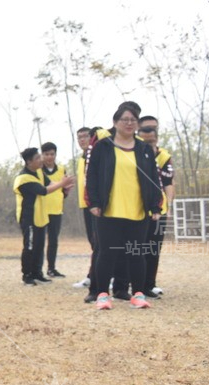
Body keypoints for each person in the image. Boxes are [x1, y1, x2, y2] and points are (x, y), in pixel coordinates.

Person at [84, 105, 163, 310]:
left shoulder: (144, 148)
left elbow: (154, 178)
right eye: (125, 119)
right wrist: (93, 202)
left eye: (133, 120)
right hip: (109, 210)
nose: (129, 123)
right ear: (115, 122)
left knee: (136, 252)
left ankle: (137, 294)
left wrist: (155, 206)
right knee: (107, 253)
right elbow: (91, 176)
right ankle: (102, 294)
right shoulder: (103, 146)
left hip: (137, 210)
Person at [14, 148, 72, 285]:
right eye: (37, 158)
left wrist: (64, 187)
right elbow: (43, 191)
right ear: (29, 162)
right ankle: (27, 275)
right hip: (28, 217)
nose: (41, 160)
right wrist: (61, 184)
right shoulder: (23, 178)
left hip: (40, 216)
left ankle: (37, 273)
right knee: (29, 246)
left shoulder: (39, 172)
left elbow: (49, 183)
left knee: (39, 245)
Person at [137, 115, 174, 297]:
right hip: (136, 208)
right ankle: (132, 284)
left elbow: (168, 181)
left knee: (153, 248)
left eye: (152, 138)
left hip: (159, 210)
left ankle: (148, 284)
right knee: (137, 247)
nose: (149, 143)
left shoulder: (164, 156)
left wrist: (169, 203)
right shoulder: (131, 154)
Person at [72, 126, 100, 289]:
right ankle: (93, 274)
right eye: (79, 137)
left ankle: (102, 275)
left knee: (99, 243)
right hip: (86, 205)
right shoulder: (82, 158)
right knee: (93, 242)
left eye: (85, 136)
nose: (82, 140)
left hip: (95, 205)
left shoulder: (96, 156)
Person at [39, 142, 70, 278]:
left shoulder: (62, 169)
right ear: (42, 155)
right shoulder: (38, 171)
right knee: (39, 241)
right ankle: (37, 269)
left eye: (52, 154)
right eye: (46, 154)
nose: (49, 157)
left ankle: (51, 268)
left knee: (53, 240)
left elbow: (64, 189)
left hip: (56, 209)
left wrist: (66, 191)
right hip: (41, 209)